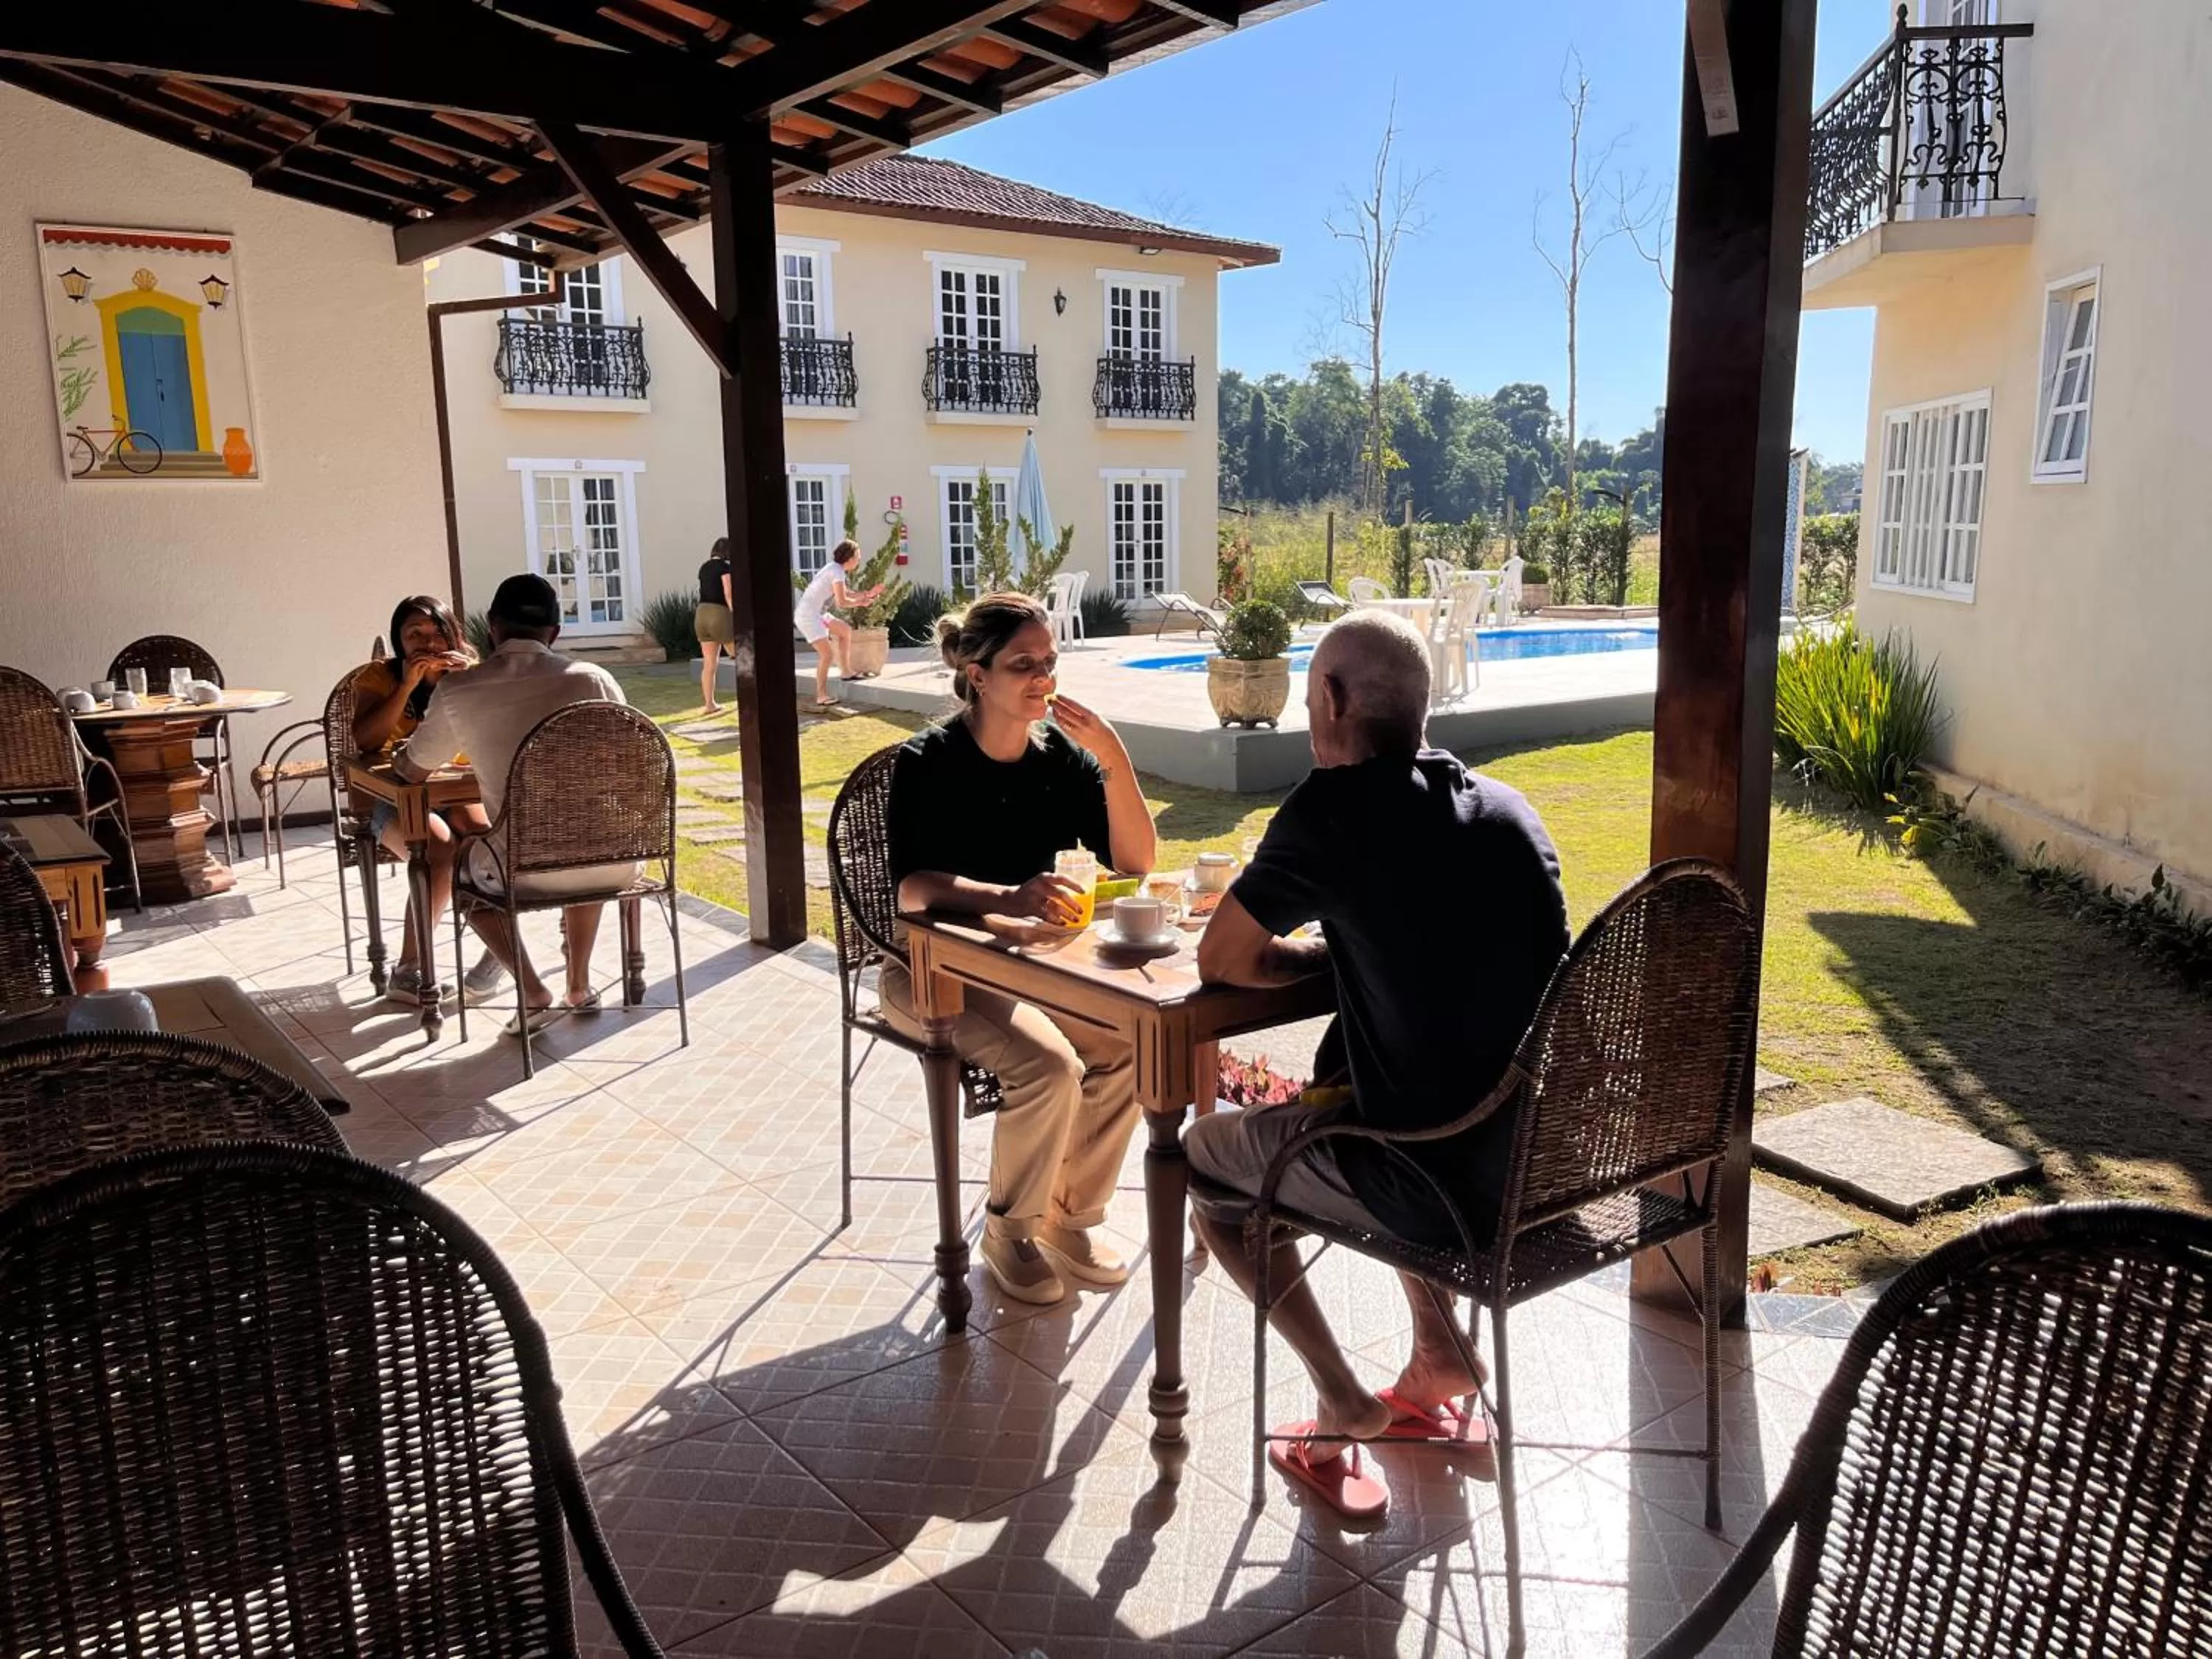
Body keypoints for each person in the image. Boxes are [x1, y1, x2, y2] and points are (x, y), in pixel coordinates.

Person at [1188, 609, 1570, 1521]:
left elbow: (1224, 961)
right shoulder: (1512, 813)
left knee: (1207, 1159)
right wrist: (1354, 958)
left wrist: (1318, 960)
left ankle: (1341, 1399)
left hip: (1426, 1181)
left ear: (1329, 699)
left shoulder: (1335, 810)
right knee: (1379, 1088)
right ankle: (1441, 1355)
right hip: (1535, 1163)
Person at [883, 591, 1157, 1305]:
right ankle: (1009, 1230)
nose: (1043, 678)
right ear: (978, 675)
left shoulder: (1058, 759)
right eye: (1023, 664)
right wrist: (1005, 899)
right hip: (929, 972)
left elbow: (1137, 860)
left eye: (1050, 662)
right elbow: (911, 889)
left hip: (1027, 968)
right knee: (1050, 1067)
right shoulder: (928, 761)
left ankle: (1068, 1214)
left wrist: (1116, 759)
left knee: (1129, 1043)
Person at [395, 573, 639, 1037]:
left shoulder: (461, 689)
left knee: (462, 866)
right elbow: (631, 759)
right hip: (614, 863)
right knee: (584, 833)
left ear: (492, 626)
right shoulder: (595, 679)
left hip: (523, 869)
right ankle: (579, 985)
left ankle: (531, 990)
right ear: (556, 631)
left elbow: (411, 771)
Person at [348, 596, 504, 1009]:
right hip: (390, 796)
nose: (427, 644)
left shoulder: (468, 671)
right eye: (414, 634)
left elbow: (497, 729)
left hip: (455, 790)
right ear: (400, 640)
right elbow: (364, 742)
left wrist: (473, 679)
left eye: (435, 634)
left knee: (484, 843)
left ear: (452, 635)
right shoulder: (378, 678)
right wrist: (408, 686)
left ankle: (499, 955)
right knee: (438, 847)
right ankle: (408, 970)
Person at [793, 539, 881, 709]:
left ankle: (847, 672)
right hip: (808, 617)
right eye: (858, 557)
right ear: (850, 558)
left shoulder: (835, 569)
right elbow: (842, 602)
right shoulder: (837, 572)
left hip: (817, 613)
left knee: (845, 631)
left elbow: (846, 593)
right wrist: (861, 603)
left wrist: (865, 595)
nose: (859, 560)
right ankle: (821, 696)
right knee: (827, 655)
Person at [695, 536, 734, 716]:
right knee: (742, 657)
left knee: (709, 664)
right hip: (718, 613)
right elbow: (728, 592)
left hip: (701, 614)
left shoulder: (704, 567)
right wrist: (735, 612)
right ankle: (753, 698)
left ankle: (709, 704)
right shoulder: (725, 568)